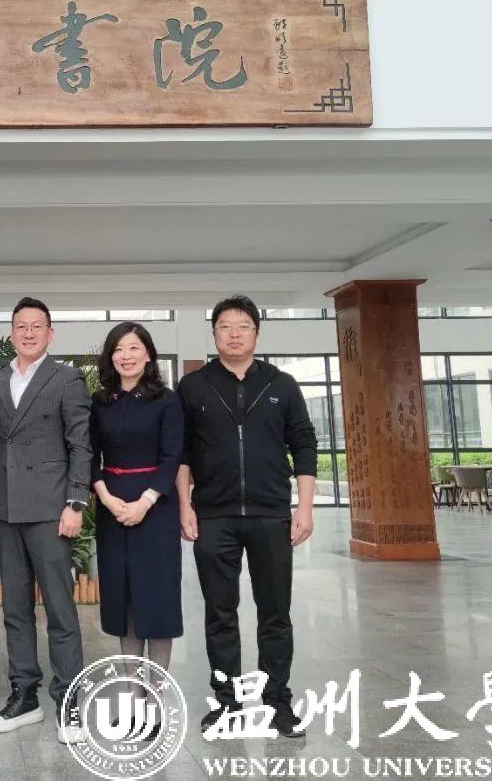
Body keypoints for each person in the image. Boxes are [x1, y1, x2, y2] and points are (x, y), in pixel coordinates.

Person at [176, 295, 317, 738]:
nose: (233, 334)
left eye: (243, 326)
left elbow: (304, 444)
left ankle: (278, 703)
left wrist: (305, 507)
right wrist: (185, 505)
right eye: (225, 326)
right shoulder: (194, 386)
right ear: (213, 334)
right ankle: (227, 704)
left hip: (270, 514)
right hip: (213, 516)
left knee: (275, 613)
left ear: (256, 333)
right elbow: (181, 453)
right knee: (220, 614)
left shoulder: (282, 384)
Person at [0, 298, 91, 744]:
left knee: (60, 610)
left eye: (36, 326)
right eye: (21, 326)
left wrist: (76, 503)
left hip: (51, 509)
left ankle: (69, 701)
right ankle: (24, 695)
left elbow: (80, 443)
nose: (28, 333)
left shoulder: (66, 378)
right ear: (11, 333)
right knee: (15, 609)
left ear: (50, 333)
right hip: (7, 509)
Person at [90, 323, 185, 683]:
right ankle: (133, 692)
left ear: (148, 354)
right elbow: (88, 454)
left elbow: (172, 455)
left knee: (157, 600)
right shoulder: (100, 401)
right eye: (118, 349)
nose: (126, 356)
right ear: (110, 356)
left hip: (156, 508)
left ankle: (155, 695)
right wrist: (106, 497)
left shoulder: (166, 399)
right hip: (111, 506)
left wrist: (145, 502)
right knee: (124, 600)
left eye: (133, 348)